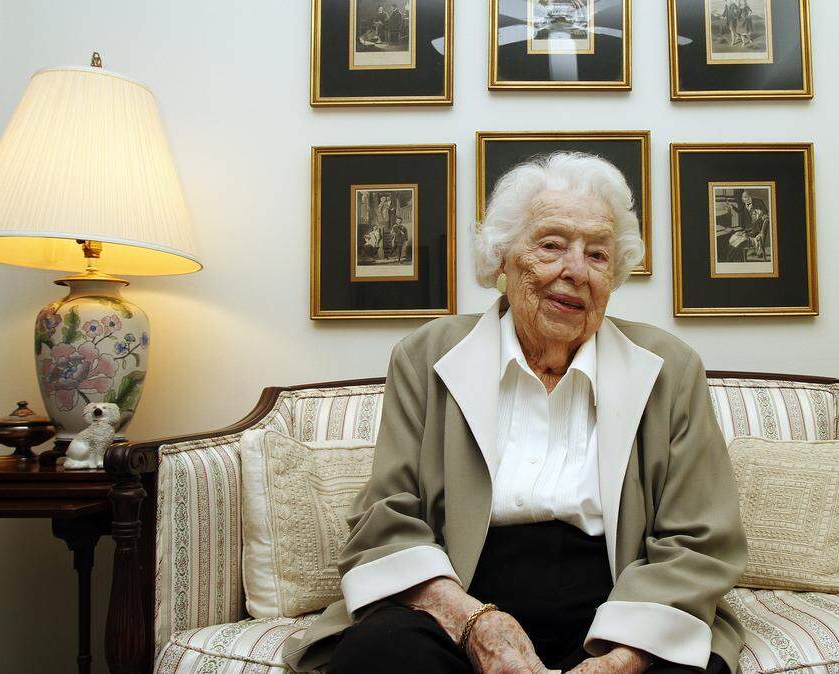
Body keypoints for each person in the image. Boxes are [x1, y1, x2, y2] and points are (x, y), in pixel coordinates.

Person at [283, 152, 747, 674]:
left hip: (622, 603)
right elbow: (388, 517)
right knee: (381, 654)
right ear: (503, 258)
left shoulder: (671, 370)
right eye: (550, 245)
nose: (574, 271)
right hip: (459, 597)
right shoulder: (426, 355)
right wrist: (472, 621)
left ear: (613, 275)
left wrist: (619, 661)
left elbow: (699, 540)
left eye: (597, 255)